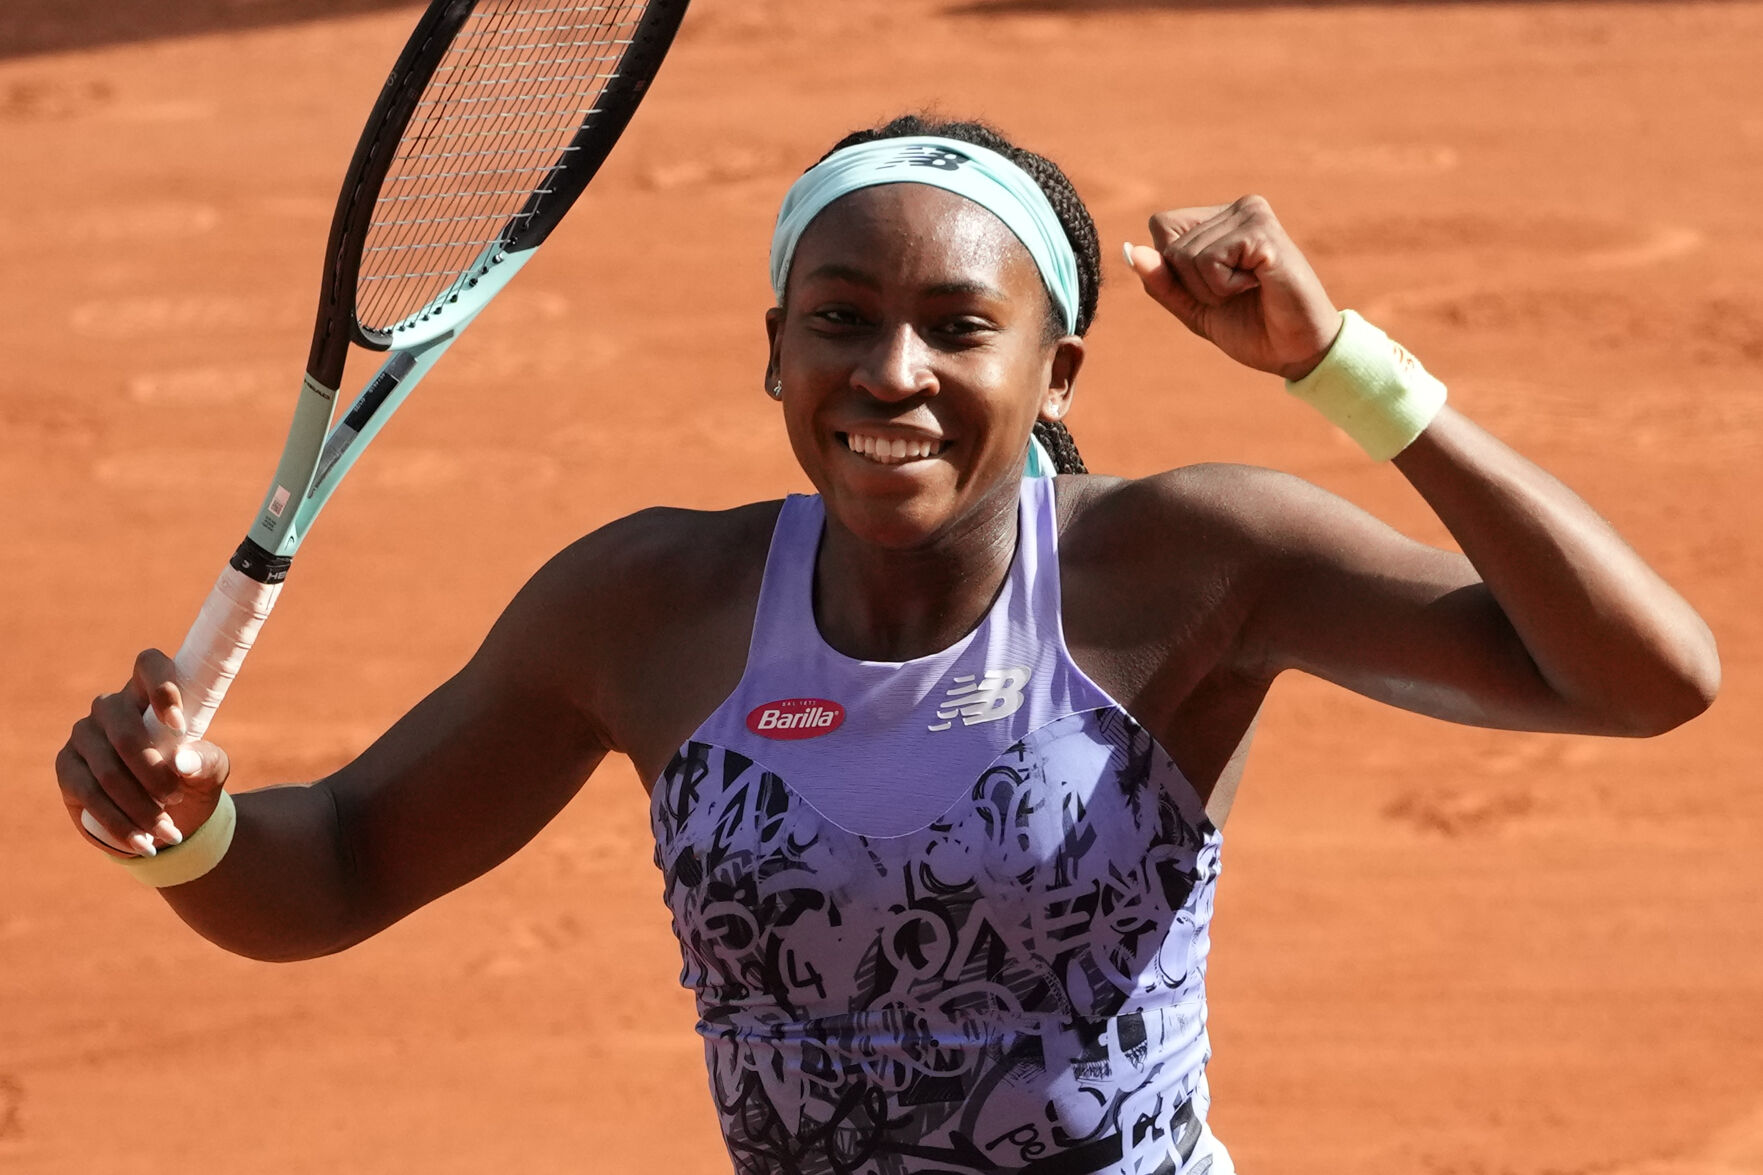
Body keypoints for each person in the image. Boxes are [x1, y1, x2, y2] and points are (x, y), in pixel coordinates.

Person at [56, 114, 1720, 1175]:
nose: (893, 372)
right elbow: (341, 861)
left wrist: (1341, 365)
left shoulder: (1184, 562)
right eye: (840, 318)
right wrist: (184, 829)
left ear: (1058, 373)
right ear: (773, 352)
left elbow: (1646, 679)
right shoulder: (651, 605)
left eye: (959, 327)